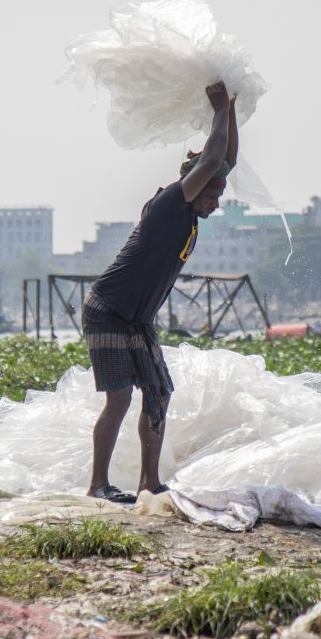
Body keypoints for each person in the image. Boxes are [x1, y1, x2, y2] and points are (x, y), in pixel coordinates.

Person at [82, 80, 238, 504]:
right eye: (212, 193)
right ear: (192, 185)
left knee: (159, 393)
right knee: (118, 398)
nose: (217, 203)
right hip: (109, 309)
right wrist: (219, 111)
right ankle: (97, 485)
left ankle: (148, 483)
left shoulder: (190, 213)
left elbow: (224, 160)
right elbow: (211, 158)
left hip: (138, 317)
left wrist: (232, 110)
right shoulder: (170, 204)